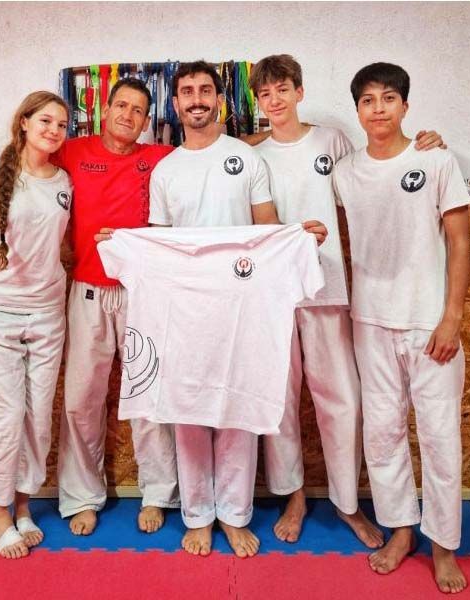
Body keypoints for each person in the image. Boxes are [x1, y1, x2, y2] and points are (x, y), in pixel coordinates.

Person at [0, 79, 180, 537]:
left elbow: (211, 147)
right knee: (80, 401)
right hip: (84, 292)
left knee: (147, 397)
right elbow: (13, 169)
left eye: (138, 110)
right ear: (106, 110)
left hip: (142, 293)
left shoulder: (160, 158)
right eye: (121, 105)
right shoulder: (71, 153)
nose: (128, 115)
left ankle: (158, 494)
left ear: (146, 121)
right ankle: (82, 497)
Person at [248, 54, 446, 546]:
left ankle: (346, 503)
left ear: (299, 91)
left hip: (328, 287)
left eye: (283, 89)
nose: (275, 100)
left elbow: (376, 170)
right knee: (280, 402)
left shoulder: (331, 142)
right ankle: (293, 496)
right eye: (265, 94)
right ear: (258, 102)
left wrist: (426, 146)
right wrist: (246, 141)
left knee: (343, 401)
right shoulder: (252, 154)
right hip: (274, 294)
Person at [141, 60, 327, 559]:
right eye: (187, 92)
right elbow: (160, 244)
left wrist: (296, 238)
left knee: (236, 410)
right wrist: (124, 243)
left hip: (242, 306)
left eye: (206, 90)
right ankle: (198, 515)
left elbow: (266, 226)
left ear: (219, 100)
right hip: (186, 311)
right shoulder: (166, 170)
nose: (196, 99)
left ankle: (234, 514)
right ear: (175, 104)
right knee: (188, 412)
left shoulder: (244, 159)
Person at [332, 62, 470, 594]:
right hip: (371, 319)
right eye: (368, 100)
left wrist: (452, 316)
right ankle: (401, 530)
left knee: (439, 436)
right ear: (357, 111)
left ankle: (444, 544)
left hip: (429, 322)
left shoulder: (435, 159)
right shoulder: (345, 172)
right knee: (384, 434)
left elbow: (459, 241)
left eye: (388, 98)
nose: (379, 109)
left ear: (405, 106)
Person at [0, 91, 72, 558]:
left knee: (37, 417)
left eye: (62, 124)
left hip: (48, 312)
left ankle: (24, 505)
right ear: (24, 122)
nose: (54, 130)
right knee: (4, 419)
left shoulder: (65, 180)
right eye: (46, 121)